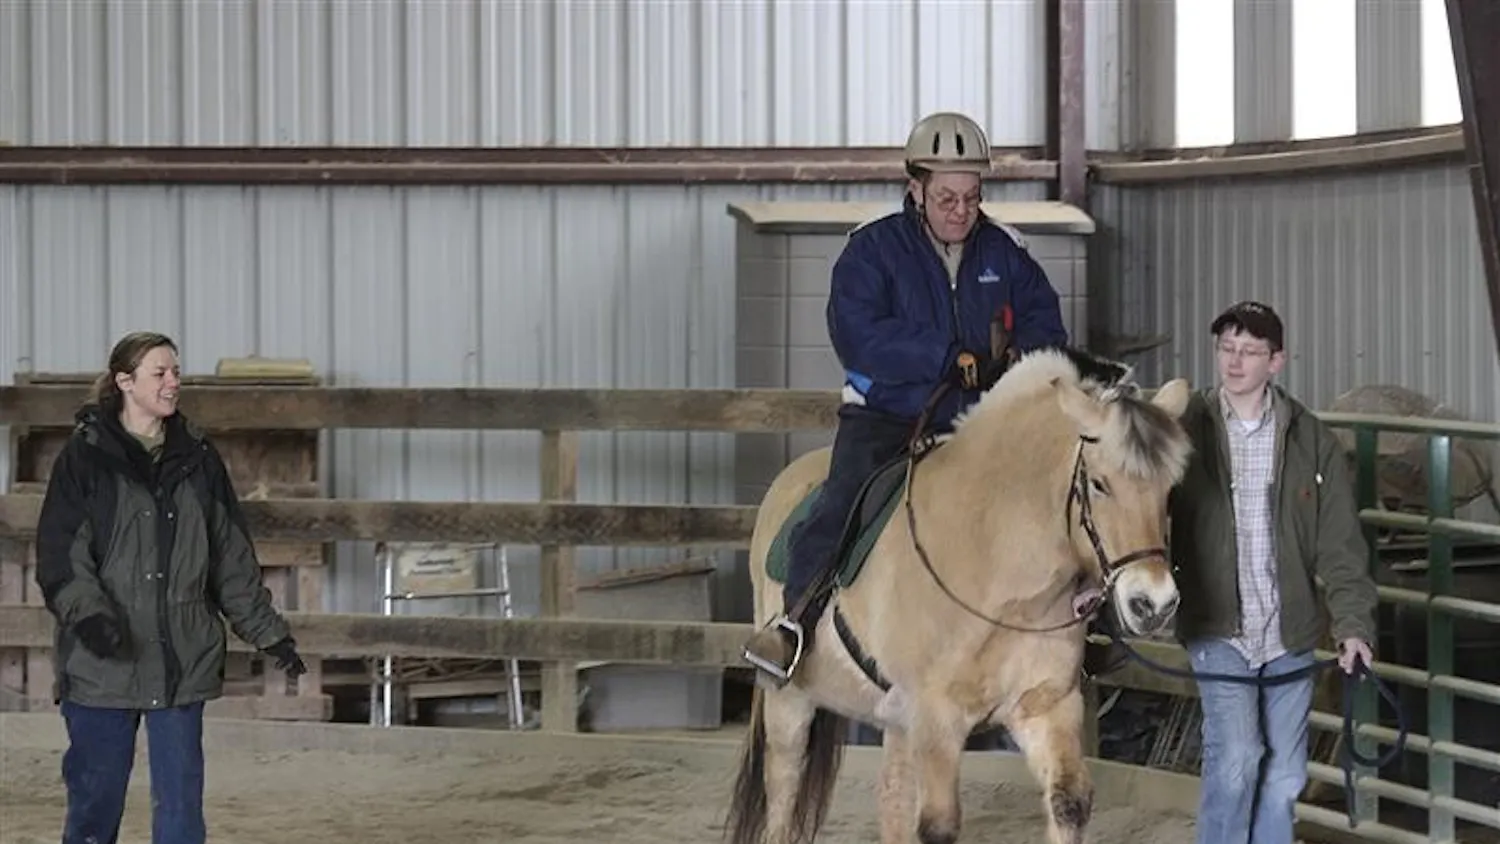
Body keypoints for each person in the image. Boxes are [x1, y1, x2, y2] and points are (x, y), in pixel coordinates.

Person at [741, 111, 1069, 684]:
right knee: (843, 500)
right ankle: (792, 623)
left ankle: (1075, 634)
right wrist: (943, 356)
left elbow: (1046, 324)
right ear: (914, 188)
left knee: (1063, 499)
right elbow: (858, 333)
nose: (960, 210)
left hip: (982, 423)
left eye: (971, 197)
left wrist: (1025, 358)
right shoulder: (870, 251)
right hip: (889, 417)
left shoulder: (1007, 253)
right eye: (946, 197)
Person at [33, 330, 308, 844]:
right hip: (102, 664)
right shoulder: (84, 460)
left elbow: (229, 554)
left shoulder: (199, 459)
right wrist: (90, 618)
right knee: (95, 803)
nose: (172, 382)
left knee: (181, 810)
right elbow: (61, 556)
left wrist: (268, 632)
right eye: (160, 372)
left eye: (177, 372)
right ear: (125, 382)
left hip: (182, 659)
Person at [1167, 301, 1379, 844]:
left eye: (1250, 351)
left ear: (1277, 362)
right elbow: (1131, 510)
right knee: (1237, 757)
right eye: (1226, 349)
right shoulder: (1183, 430)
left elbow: (1341, 544)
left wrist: (1353, 625)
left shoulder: (1311, 439)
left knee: (1285, 775)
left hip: (1289, 631)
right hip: (1219, 626)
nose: (1235, 362)